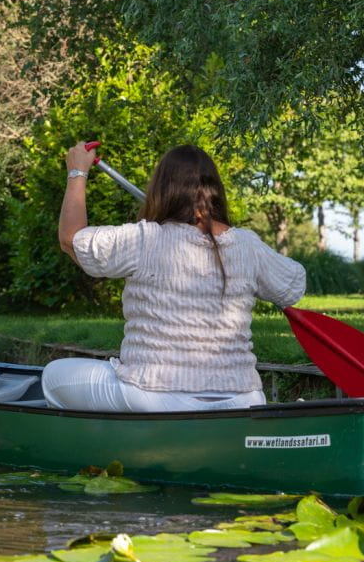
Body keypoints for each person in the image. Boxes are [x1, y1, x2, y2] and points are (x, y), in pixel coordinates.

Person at [42, 143, 307, 412]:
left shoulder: (144, 238)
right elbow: (294, 286)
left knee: (53, 376)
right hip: (242, 400)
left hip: (156, 396)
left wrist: (77, 172)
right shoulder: (247, 245)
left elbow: (70, 239)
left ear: (162, 188)